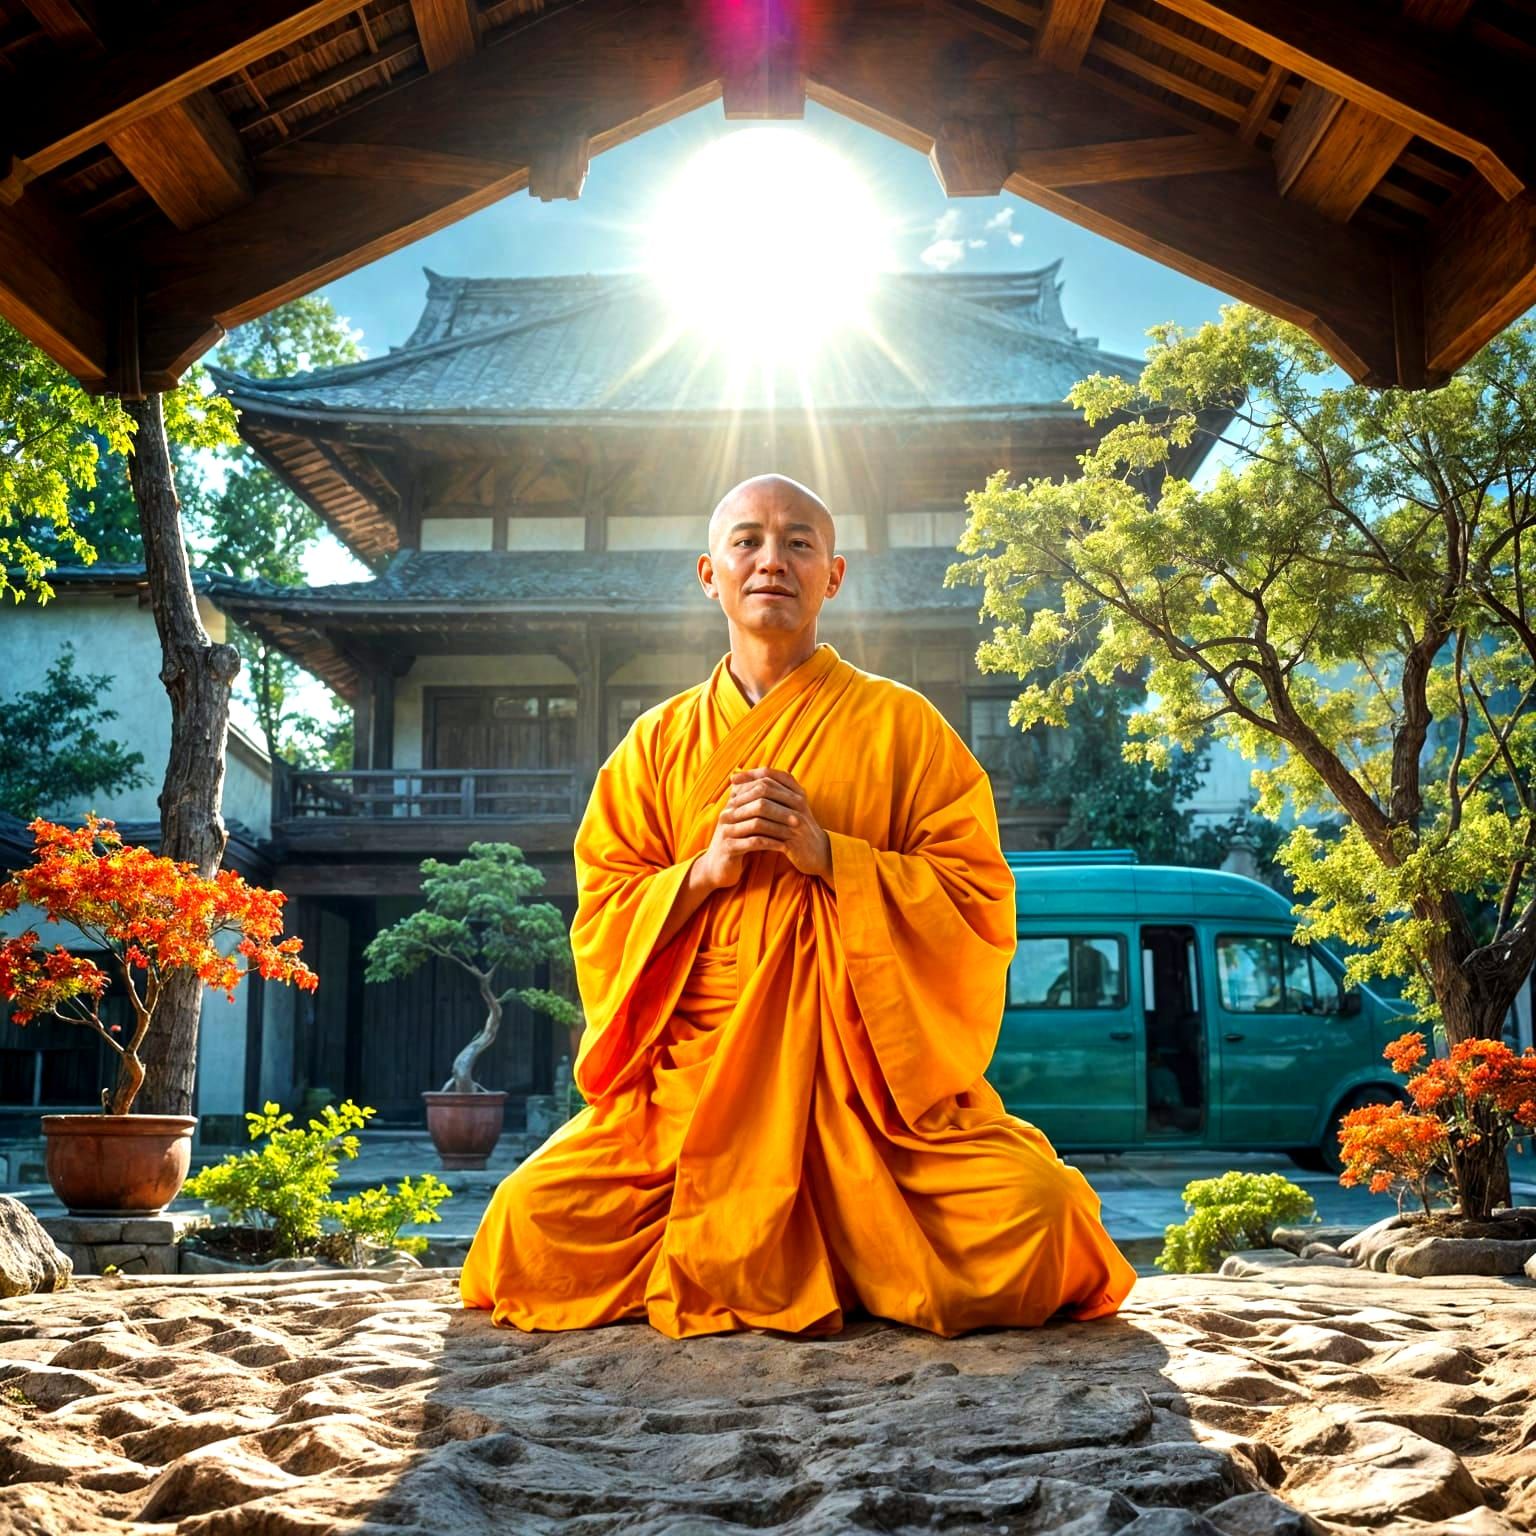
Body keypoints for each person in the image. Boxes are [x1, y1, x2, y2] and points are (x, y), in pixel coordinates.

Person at [460, 474, 1136, 1337]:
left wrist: (835, 861)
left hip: (870, 1104)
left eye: (798, 542)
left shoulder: (906, 727)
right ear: (710, 574)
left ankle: (850, 1238)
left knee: (1044, 1220)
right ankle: (857, 1259)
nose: (771, 560)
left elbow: (975, 899)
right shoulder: (655, 744)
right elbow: (603, 909)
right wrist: (701, 873)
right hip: (687, 1097)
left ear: (835, 575)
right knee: (526, 1227)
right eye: (746, 541)